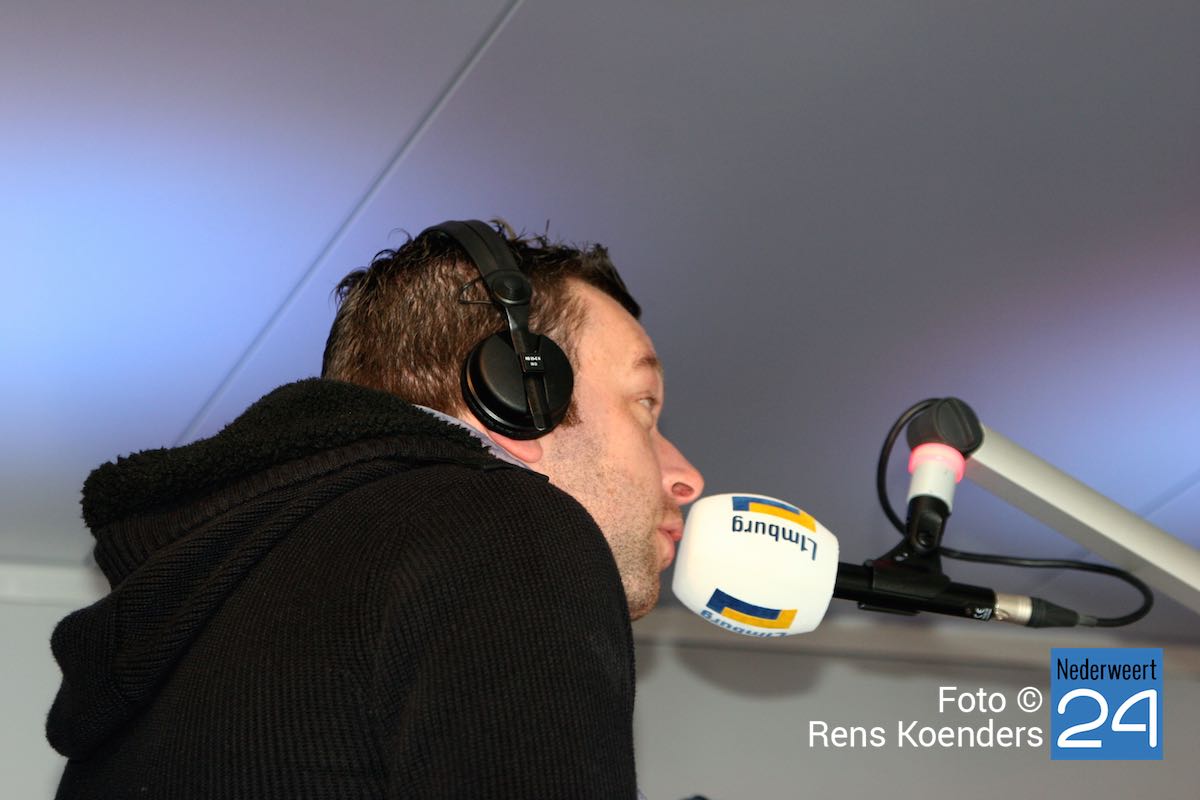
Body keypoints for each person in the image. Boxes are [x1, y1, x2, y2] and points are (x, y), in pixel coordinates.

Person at [46, 219, 704, 798]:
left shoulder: (192, 623)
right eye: (644, 404)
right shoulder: (509, 526)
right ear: (521, 394)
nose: (686, 477)